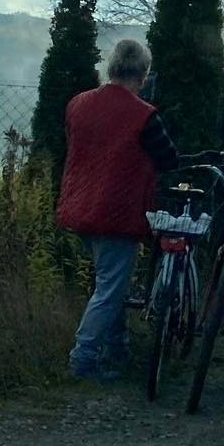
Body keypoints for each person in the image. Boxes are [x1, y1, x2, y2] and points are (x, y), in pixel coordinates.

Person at [56, 39, 179, 381]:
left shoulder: (77, 104)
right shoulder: (143, 115)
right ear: (143, 75)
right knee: (110, 288)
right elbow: (168, 159)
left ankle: (117, 346)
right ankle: (84, 358)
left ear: (111, 68)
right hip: (116, 211)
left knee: (109, 283)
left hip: (78, 206)